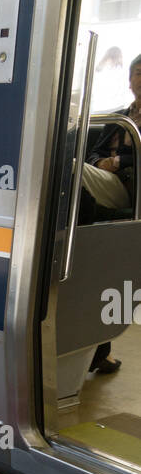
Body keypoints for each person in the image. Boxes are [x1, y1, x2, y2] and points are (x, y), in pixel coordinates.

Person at [80, 52, 141, 373]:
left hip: (128, 186)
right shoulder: (118, 117)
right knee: (78, 165)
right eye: (138, 73)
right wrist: (98, 161)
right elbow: (92, 151)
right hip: (102, 180)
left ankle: (71, 222)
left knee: (75, 171)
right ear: (130, 80)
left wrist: (117, 162)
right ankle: (97, 352)